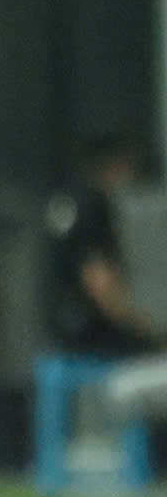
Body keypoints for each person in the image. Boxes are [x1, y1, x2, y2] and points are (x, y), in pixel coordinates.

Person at [45, 132, 165, 359]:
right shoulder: (93, 203)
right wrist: (151, 334)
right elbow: (100, 282)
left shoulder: (67, 200)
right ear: (117, 163)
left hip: (66, 334)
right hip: (98, 340)